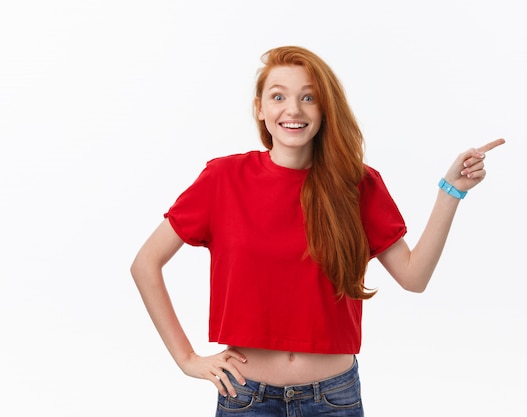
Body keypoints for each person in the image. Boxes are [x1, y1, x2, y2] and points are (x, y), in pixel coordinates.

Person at [130, 45, 505, 416]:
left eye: (308, 97)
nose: (293, 109)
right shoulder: (223, 179)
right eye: (279, 96)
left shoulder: (357, 184)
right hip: (246, 397)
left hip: (333, 398)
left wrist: (451, 192)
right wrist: (186, 359)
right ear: (260, 109)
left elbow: (413, 276)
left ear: (324, 109)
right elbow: (145, 264)